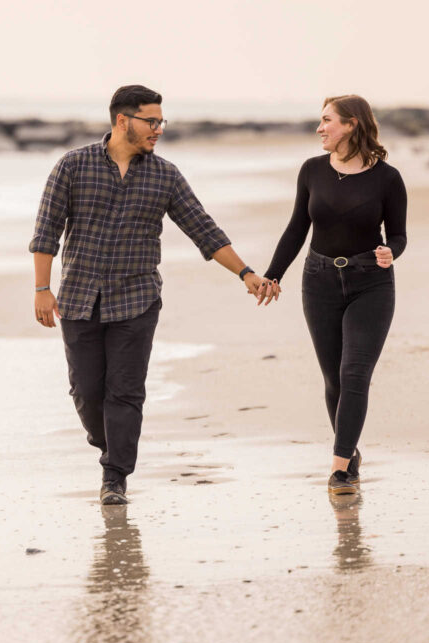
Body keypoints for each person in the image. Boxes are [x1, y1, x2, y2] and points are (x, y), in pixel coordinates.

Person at [29, 85, 275, 506]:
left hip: (137, 299)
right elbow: (46, 230)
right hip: (79, 298)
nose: (159, 129)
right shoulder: (72, 166)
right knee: (87, 392)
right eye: (152, 121)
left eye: (162, 122)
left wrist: (246, 273)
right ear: (123, 120)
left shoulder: (165, 175)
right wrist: (42, 289)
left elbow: (203, 229)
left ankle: (115, 477)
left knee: (125, 391)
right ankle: (110, 445)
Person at [261, 95, 407, 495]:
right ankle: (351, 452)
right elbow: (296, 229)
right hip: (319, 281)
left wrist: (391, 251)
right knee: (333, 380)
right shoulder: (312, 171)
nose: (320, 128)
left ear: (352, 124)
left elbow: (398, 234)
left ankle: (341, 469)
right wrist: (273, 275)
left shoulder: (388, 178)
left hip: (370, 284)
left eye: (327, 120)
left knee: (354, 373)